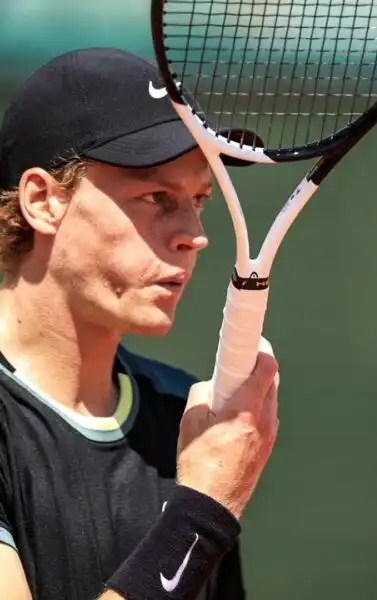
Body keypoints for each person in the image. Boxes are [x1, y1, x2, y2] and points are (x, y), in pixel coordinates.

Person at [0, 47, 280, 600]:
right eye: (157, 197)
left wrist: (206, 504)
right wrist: (201, 514)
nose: (193, 234)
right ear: (43, 201)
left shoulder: (185, 420)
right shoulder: (207, 479)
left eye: (199, 199)